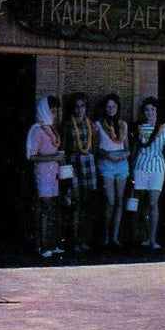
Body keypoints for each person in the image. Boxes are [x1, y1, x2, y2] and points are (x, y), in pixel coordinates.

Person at [26, 95, 65, 258]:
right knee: (45, 209)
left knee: (53, 209)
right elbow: (31, 156)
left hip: (53, 174)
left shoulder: (52, 128)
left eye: (56, 110)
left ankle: (52, 243)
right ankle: (42, 245)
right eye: (52, 110)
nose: (55, 114)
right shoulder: (36, 130)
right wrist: (53, 158)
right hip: (43, 175)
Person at [132, 97, 165, 249]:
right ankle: (147, 236)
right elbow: (136, 148)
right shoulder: (139, 128)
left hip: (157, 167)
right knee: (143, 203)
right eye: (147, 110)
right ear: (144, 112)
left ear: (157, 111)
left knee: (153, 202)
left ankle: (153, 238)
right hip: (141, 166)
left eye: (153, 109)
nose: (150, 112)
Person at [62, 92, 96, 253]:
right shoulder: (68, 124)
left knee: (88, 205)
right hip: (73, 165)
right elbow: (64, 148)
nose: (79, 109)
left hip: (89, 166)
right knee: (76, 204)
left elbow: (94, 146)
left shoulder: (91, 124)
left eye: (82, 106)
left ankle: (85, 239)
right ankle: (74, 241)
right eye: (76, 106)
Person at [95, 92, 130, 247]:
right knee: (110, 199)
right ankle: (104, 235)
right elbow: (96, 148)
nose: (111, 109)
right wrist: (109, 156)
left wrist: (124, 155)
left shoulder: (123, 124)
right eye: (108, 106)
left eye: (114, 106)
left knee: (119, 201)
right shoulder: (98, 124)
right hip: (106, 162)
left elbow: (127, 147)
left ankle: (114, 237)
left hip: (121, 162)